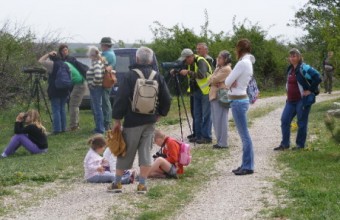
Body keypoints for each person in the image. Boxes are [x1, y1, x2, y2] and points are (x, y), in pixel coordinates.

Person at [108, 46, 171, 194]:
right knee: (145, 153)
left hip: (132, 120)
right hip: (150, 120)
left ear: (137, 59)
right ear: (150, 60)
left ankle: (117, 184)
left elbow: (121, 98)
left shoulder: (130, 76)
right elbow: (167, 98)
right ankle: (142, 185)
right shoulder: (157, 76)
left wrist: (117, 119)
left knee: (125, 151)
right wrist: (160, 114)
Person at [274, 48, 321, 151]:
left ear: (299, 57)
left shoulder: (304, 67)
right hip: (290, 101)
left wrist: (310, 90)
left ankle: (300, 145)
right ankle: (285, 144)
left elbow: (318, 77)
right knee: (285, 120)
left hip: (302, 100)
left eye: (294, 55)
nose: (292, 57)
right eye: (290, 56)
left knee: (301, 122)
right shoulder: (290, 69)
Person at [224, 39, 255, 175]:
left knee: (244, 135)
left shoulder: (242, 63)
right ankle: (245, 163)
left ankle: (248, 166)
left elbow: (227, 81)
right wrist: (232, 81)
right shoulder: (248, 62)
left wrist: (232, 81)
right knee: (244, 135)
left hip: (238, 101)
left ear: (239, 49)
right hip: (241, 99)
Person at [179, 48, 212, 144]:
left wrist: (188, 72)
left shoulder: (200, 61)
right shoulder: (190, 63)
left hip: (206, 91)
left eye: (185, 59)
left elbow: (202, 75)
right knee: (197, 115)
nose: (185, 62)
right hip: (196, 91)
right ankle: (198, 136)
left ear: (190, 57)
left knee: (206, 115)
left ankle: (207, 137)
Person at [58, 44, 88, 131]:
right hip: (76, 84)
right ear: (60, 52)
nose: (65, 51)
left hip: (79, 84)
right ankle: (75, 124)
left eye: (66, 50)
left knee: (73, 105)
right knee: (74, 105)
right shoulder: (64, 62)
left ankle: (73, 126)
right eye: (63, 50)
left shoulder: (70, 60)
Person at [39, 51, 69, 134]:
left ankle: (57, 129)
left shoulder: (52, 64)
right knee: (62, 109)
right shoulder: (65, 64)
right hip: (65, 89)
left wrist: (48, 54)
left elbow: (40, 61)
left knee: (56, 109)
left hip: (55, 89)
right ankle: (63, 128)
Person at [209, 50, 232, 149]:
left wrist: (214, 80)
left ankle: (223, 142)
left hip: (220, 96)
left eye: (220, 58)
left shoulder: (226, 69)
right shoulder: (219, 68)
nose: (218, 59)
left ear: (225, 59)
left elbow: (213, 79)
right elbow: (210, 79)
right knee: (216, 119)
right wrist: (213, 80)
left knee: (221, 119)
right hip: (214, 95)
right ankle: (219, 141)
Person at [86, 46, 105, 134]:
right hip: (97, 87)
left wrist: (92, 84)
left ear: (92, 55)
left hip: (96, 88)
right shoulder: (99, 62)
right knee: (97, 108)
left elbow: (98, 76)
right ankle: (99, 127)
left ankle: (100, 129)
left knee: (97, 108)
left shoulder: (96, 63)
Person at [100, 37, 116, 130]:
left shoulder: (106, 54)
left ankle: (107, 122)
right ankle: (107, 122)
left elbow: (101, 66)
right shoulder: (112, 53)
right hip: (109, 78)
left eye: (102, 45)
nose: (101, 47)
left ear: (105, 45)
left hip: (105, 79)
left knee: (105, 102)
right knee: (106, 101)